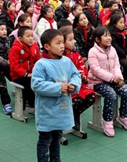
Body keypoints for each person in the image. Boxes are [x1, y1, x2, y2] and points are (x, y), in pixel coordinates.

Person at [30, 29, 81, 162]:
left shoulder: (66, 61)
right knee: (45, 139)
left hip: (62, 109)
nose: (62, 46)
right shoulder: (41, 64)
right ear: (47, 46)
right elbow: (36, 85)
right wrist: (58, 87)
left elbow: (75, 75)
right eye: (58, 43)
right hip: (47, 111)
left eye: (62, 42)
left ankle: (56, 160)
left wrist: (73, 85)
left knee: (57, 137)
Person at [87, 27, 127, 137]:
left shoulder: (112, 49)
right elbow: (96, 70)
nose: (109, 38)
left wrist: (119, 78)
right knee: (111, 94)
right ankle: (107, 120)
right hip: (97, 82)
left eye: (109, 35)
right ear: (97, 39)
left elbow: (116, 65)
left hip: (112, 79)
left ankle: (123, 117)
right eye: (105, 36)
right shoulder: (92, 51)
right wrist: (112, 78)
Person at [9, 27, 41, 110]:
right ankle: (32, 105)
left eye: (32, 36)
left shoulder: (34, 45)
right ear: (20, 38)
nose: (31, 38)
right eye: (28, 36)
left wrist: (38, 71)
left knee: (40, 82)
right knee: (30, 84)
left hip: (31, 74)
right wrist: (26, 74)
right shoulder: (15, 48)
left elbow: (38, 60)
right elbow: (14, 66)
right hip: (18, 76)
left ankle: (35, 104)